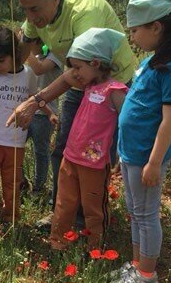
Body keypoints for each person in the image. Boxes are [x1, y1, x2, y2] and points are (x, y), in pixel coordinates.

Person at [10, 0, 138, 228]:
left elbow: (82, 74)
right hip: (79, 81)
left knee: (96, 156)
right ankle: (62, 211)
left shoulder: (84, 13)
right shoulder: (35, 14)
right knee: (64, 150)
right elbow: (22, 49)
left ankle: (91, 217)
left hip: (111, 86)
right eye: (25, 10)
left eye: (34, 9)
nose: (30, 17)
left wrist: (36, 100)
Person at [107, 0, 171, 283]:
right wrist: (121, 153)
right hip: (132, 154)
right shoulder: (149, 63)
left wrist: (155, 162)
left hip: (148, 158)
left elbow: (169, 122)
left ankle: (147, 274)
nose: (132, 36)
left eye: (136, 30)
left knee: (146, 213)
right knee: (134, 211)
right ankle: (136, 264)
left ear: (156, 28)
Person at [50, 29, 128, 253]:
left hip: (94, 163)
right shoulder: (87, 86)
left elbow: (126, 122)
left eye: (77, 67)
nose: (74, 73)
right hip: (71, 156)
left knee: (93, 206)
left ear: (95, 62)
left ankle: (95, 247)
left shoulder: (115, 91)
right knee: (65, 202)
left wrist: (122, 153)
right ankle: (58, 242)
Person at [0, 27, 51, 227]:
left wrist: (51, 113)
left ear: (14, 55)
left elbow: (36, 98)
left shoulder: (29, 74)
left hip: (16, 141)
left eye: (1, 60)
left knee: (12, 183)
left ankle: (10, 219)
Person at [24, 43, 61, 198]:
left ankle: (39, 188)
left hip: (45, 114)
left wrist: (23, 46)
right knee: (15, 147)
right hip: (28, 109)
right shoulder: (35, 56)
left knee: (40, 151)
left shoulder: (55, 55)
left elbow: (39, 68)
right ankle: (22, 182)